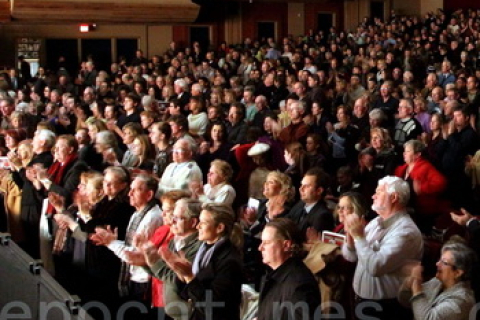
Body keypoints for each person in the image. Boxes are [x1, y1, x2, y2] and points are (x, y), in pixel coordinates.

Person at [342, 176, 423, 320]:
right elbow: (351, 256)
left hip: (385, 308)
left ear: (393, 197)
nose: (373, 196)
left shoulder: (406, 231)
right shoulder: (376, 221)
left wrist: (359, 237)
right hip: (362, 301)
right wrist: (350, 236)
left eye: (378, 192)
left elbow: (375, 267)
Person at [91, 174, 163, 315]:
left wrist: (111, 242)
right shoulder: (138, 213)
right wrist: (113, 242)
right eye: (130, 189)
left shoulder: (153, 217)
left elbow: (135, 256)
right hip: (132, 277)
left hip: (143, 281)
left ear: (149, 195)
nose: (129, 193)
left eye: (135, 190)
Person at [160, 203, 243, 320]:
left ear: (219, 228)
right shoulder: (203, 250)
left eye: (203, 223)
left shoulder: (229, 260)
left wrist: (189, 276)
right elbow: (187, 294)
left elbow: (212, 307)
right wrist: (181, 275)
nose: (198, 226)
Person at [257, 218, 321, 320]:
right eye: (261, 242)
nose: (260, 248)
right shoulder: (274, 275)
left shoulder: (299, 285)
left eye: (267, 242)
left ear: (286, 245)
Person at [398, 241, 476, 320]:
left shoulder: (462, 301)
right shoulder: (437, 282)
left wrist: (416, 287)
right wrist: (409, 283)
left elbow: (427, 318)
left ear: (458, 273)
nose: (437, 264)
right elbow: (406, 301)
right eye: (439, 260)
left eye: (444, 263)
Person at [394, 140, 447, 233]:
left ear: (417, 154)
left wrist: (422, 188)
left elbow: (441, 183)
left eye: (407, 151)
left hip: (422, 213)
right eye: (404, 151)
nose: (404, 154)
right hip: (406, 210)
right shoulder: (402, 168)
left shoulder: (426, 167)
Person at [287, 167, 335, 242]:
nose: (301, 189)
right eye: (301, 185)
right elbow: (286, 224)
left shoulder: (323, 216)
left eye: (307, 186)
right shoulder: (300, 204)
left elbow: (311, 244)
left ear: (319, 191)